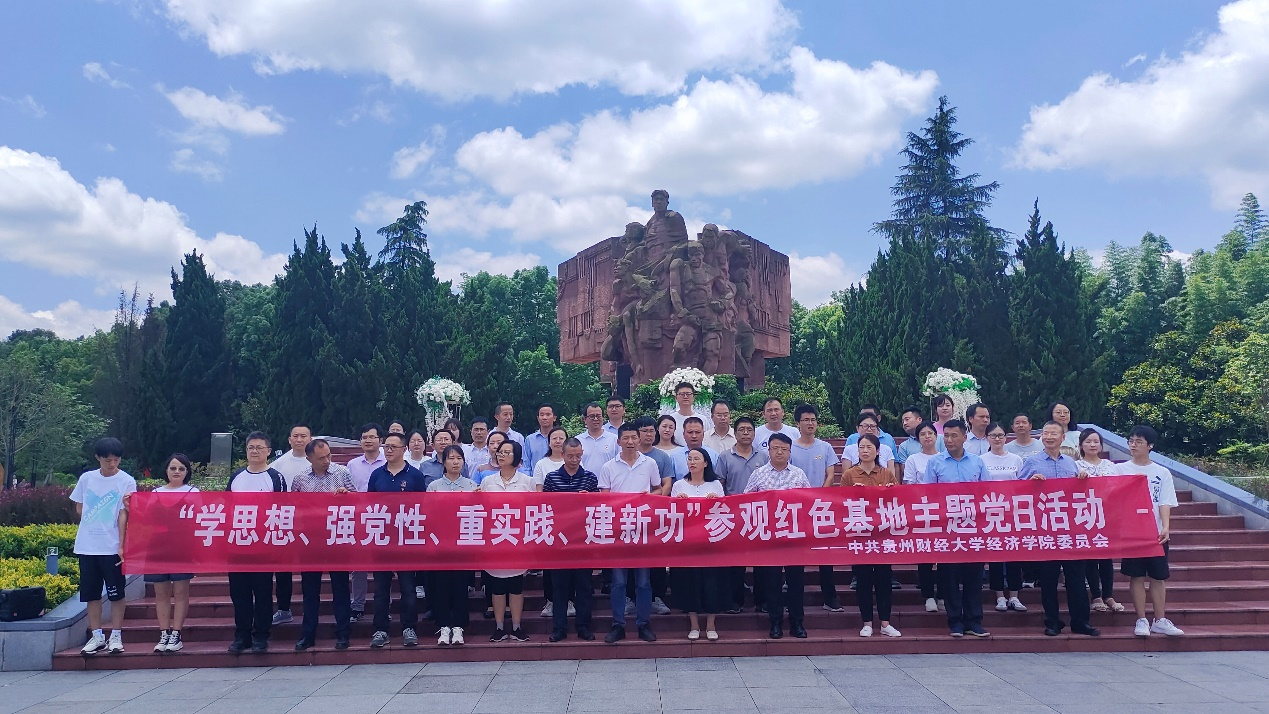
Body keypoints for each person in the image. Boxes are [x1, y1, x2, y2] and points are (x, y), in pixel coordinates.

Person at [1018, 421, 1099, 637]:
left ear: (1063, 438)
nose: (1049, 436)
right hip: (1045, 529)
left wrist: (1083, 479)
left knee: (1076, 579)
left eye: (1054, 433)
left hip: (1070, 530)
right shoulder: (1032, 462)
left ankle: (1080, 622)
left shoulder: (1071, 463)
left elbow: (1081, 494)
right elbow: (1017, 490)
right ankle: (1052, 622)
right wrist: (1030, 482)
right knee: (1048, 579)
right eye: (1046, 433)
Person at [923, 420, 990, 638]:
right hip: (947, 528)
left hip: (973, 527)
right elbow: (928, 495)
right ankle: (955, 621)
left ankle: (974, 620)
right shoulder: (935, 463)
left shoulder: (977, 462)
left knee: (974, 576)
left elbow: (987, 492)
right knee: (949, 576)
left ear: (964, 437)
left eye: (954, 436)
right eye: (947, 436)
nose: (949, 440)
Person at [599, 424, 665, 643]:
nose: (629, 442)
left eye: (633, 438)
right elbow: (603, 497)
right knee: (618, 582)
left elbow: (658, 489)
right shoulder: (608, 466)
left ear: (639, 439)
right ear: (618, 441)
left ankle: (643, 624)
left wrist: (650, 496)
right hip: (618, 531)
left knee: (643, 582)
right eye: (625, 438)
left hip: (643, 530)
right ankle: (618, 625)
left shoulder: (650, 463)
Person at [1116, 425, 1183, 637]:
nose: (1133, 445)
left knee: (1158, 576)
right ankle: (1141, 619)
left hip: (1155, 531)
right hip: (1132, 531)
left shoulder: (1161, 473)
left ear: (1150, 446)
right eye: (1131, 441)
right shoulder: (1120, 470)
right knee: (1136, 576)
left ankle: (1160, 619)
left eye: (1139, 442)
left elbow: (1164, 501)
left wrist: (1166, 526)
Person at [73, 437, 137, 655]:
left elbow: (124, 513)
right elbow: (79, 508)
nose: (112, 464)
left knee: (116, 592)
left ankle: (116, 635)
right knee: (91, 593)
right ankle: (97, 635)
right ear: (97, 458)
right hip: (87, 546)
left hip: (111, 547)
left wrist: (121, 545)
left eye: (116, 459)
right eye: (107, 460)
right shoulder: (86, 479)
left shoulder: (126, 480)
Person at [226, 431, 287, 653]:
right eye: (251, 447)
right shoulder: (236, 477)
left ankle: (261, 635)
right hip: (238, 544)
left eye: (259, 447)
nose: (255, 451)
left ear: (268, 451)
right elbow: (226, 508)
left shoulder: (276, 478)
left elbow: (282, 511)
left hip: (264, 545)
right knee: (239, 593)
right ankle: (242, 635)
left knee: (262, 592)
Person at [291, 439, 355, 651]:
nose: (326, 460)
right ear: (309, 458)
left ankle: (343, 633)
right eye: (321, 458)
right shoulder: (300, 478)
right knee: (310, 590)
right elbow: (293, 507)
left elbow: (357, 501)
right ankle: (308, 634)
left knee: (340, 587)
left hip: (337, 537)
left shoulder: (342, 473)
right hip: (311, 539)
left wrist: (346, 496)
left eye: (328, 455)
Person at [745, 433, 810, 639]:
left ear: (790, 452)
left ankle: (797, 623)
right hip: (769, 539)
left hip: (794, 538)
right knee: (772, 583)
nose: (779, 452)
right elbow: (746, 501)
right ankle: (775, 622)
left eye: (784, 449)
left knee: (796, 583)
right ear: (769, 450)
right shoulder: (758, 474)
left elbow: (809, 502)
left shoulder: (799, 474)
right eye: (775, 448)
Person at [367, 433, 427, 648]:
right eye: (386, 446)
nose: (389, 450)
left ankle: (409, 627)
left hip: (407, 539)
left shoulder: (415, 476)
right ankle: (381, 629)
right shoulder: (377, 475)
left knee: (408, 588)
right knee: (381, 589)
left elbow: (423, 506)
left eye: (393, 446)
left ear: (404, 450)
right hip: (382, 538)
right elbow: (369, 505)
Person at [841, 434, 901, 637]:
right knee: (863, 579)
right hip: (860, 534)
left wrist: (890, 492)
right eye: (861, 447)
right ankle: (866, 622)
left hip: (883, 535)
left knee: (884, 579)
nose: (865, 451)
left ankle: (885, 623)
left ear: (877, 451)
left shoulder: (886, 473)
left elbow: (899, 501)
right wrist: (853, 493)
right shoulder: (849, 474)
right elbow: (840, 503)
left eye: (869, 447)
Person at [789, 404, 844, 613]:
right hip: (796, 507)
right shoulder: (791, 447)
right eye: (806, 420)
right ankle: (794, 596)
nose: (810, 423)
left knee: (824, 553)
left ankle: (830, 597)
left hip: (821, 507)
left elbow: (830, 475)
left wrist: (819, 496)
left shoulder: (825, 447)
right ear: (798, 424)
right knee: (796, 553)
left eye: (813, 420)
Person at [544, 439, 599, 642]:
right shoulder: (551, 478)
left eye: (578, 456)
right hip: (559, 540)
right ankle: (559, 628)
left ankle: (583, 626)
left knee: (584, 586)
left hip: (583, 539)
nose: (574, 460)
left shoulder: (590, 478)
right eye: (570, 456)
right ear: (562, 455)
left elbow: (598, 507)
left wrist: (589, 499)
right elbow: (545, 507)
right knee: (559, 587)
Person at [479, 440, 534, 642]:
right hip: (495, 539)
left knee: (516, 585)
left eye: (507, 452)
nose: (501, 455)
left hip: (518, 539)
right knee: (497, 586)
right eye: (500, 452)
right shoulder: (488, 482)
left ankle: (517, 627)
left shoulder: (527, 481)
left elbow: (533, 510)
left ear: (517, 457)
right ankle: (500, 627)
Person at [670, 448, 727, 641]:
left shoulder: (715, 485)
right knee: (690, 583)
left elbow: (723, 511)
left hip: (711, 544)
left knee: (712, 583)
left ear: (706, 463)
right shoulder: (678, 485)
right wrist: (678, 502)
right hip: (688, 544)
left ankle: (711, 624)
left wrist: (715, 501)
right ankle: (694, 624)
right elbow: (672, 514)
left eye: (696, 459)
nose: (692, 462)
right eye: (690, 459)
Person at [715, 417, 770, 613]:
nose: (746, 433)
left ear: (754, 434)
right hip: (734, 516)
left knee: (761, 561)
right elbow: (719, 485)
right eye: (741, 429)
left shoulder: (764, 457)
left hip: (759, 515)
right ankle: (735, 601)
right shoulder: (725, 457)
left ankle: (762, 601)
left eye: (749, 429)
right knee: (735, 561)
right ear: (735, 433)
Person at [425, 445, 478, 644]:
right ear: (443, 462)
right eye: (451, 458)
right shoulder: (434, 486)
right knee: (441, 586)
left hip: (463, 543)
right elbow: (428, 514)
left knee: (460, 586)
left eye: (459, 458)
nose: (455, 462)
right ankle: (444, 626)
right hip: (440, 544)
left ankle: (458, 627)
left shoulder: (471, 485)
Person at [146, 453, 197, 653]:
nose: (177, 472)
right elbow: (146, 518)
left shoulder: (193, 492)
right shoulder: (155, 492)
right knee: (161, 593)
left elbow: (200, 519)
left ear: (187, 472)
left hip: (182, 547)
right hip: (157, 547)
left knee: (181, 592)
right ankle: (164, 633)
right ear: (166, 470)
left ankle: (176, 633)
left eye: (181, 468)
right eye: (173, 468)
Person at [265, 424, 311, 627]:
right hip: (284, 522)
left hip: (311, 524)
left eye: (303, 436)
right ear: (289, 439)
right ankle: (284, 608)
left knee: (310, 568)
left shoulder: (318, 461)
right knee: (282, 568)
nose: (299, 440)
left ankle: (311, 608)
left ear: (310, 439)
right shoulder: (278, 464)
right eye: (296, 436)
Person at [980, 421, 1027, 614]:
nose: (997, 439)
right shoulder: (981, 460)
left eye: (1000, 435)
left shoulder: (1016, 459)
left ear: (1006, 437)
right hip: (991, 513)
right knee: (996, 555)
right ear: (987, 438)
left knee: (1014, 554)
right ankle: (999, 595)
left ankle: (1014, 595)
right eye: (993, 436)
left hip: (1012, 513)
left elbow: (1022, 485)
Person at [1075, 428, 1123, 614]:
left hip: (1108, 515)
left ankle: (1108, 595)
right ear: (1081, 445)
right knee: (1091, 556)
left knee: (1106, 557)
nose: (1092, 445)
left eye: (1096, 441)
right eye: (1088, 441)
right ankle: (1096, 595)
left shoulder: (1111, 466)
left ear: (1101, 445)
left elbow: (1120, 489)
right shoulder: (1076, 466)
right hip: (1085, 516)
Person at [901, 421, 944, 612]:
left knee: (944, 556)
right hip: (922, 511)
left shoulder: (945, 458)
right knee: (925, 555)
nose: (927, 437)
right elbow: (909, 485)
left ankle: (942, 594)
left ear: (936, 436)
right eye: (923, 434)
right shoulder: (913, 459)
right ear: (918, 439)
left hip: (943, 512)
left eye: (930, 433)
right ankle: (928, 596)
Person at [578, 402, 619, 476]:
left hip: (609, 481)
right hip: (584, 482)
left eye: (598, 416)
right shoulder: (578, 440)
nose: (595, 419)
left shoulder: (614, 439)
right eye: (592, 416)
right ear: (585, 419)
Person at [523, 403, 557, 474]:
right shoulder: (530, 439)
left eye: (548, 414)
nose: (544, 417)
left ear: (554, 418)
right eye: (542, 415)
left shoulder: (559, 439)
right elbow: (526, 465)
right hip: (535, 478)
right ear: (538, 418)